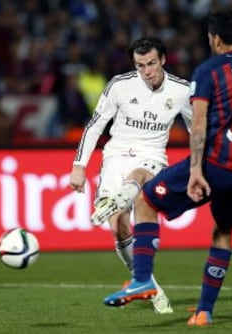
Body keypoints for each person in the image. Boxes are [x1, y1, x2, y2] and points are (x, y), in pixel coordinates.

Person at [100, 10, 232, 327]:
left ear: (214, 39)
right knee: (223, 233)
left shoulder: (209, 70)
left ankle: (142, 278)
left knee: (145, 200)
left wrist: (197, 169)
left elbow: (197, 124)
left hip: (214, 162)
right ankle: (204, 312)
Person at [69, 36, 192, 314]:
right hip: (116, 154)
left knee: (137, 178)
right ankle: (147, 283)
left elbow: (197, 130)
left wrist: (201, 166)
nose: (146, 71)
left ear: (162, 60)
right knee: (117, 226)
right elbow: (95, 125)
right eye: (140, 65)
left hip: (152, 156)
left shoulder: (182, 90)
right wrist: (79, 165)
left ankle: (122, 197)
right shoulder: (119, 85)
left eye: (151, 64)